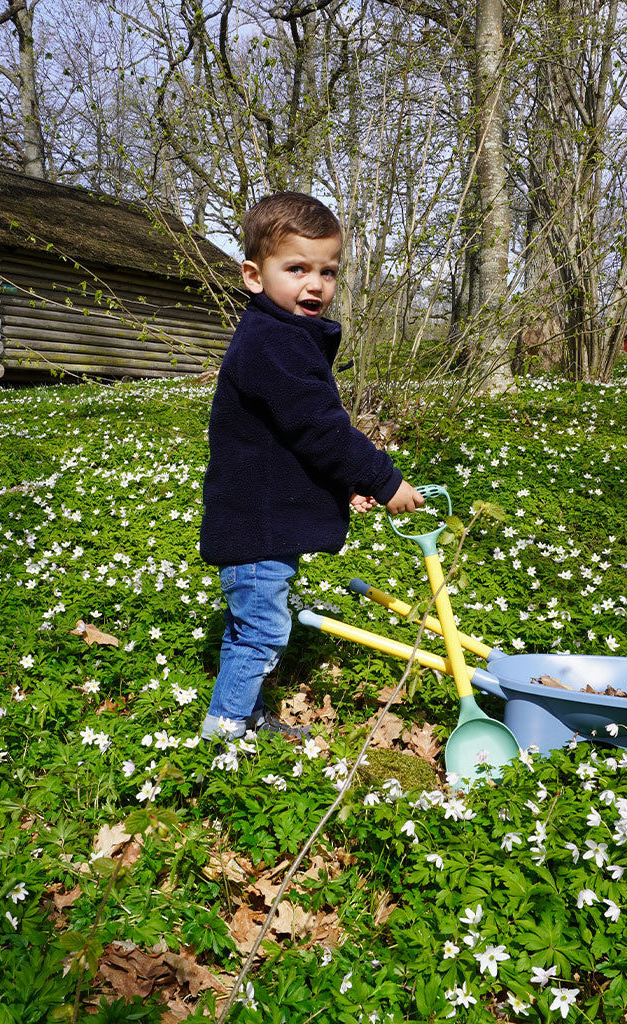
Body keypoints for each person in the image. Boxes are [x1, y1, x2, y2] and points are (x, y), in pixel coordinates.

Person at [199, 192, 423, 741]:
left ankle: (238, 712)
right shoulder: (274, 342)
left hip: (258, 516)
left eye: (327, 270)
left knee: (248, 627)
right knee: (263, 633)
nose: (315, 284)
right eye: (296, 268)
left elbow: (289, 439)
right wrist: (381, 477)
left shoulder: (278, 335)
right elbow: (319, 428)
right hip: (256, 524)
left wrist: (340, 484)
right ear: (254, 275)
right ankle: (225, 729)